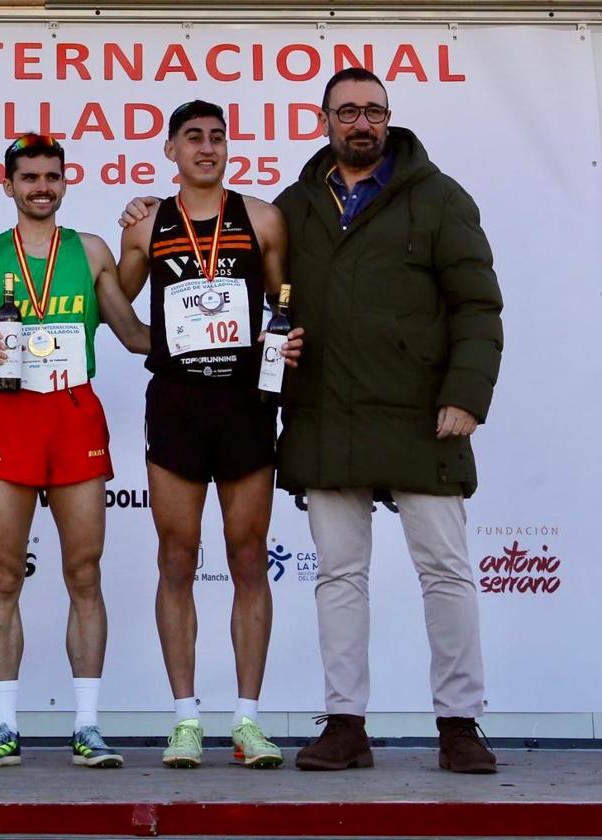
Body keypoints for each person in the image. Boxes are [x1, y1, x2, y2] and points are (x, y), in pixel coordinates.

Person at [273, 68, 503, 773]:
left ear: (389, 117)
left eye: (372, 110)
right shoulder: (293, 205)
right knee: (339, 575)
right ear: (324, 121)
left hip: (423, 416)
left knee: (446, 571)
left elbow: (477, 306)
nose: (361, 122)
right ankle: (345, 724)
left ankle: (460, 725)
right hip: (324, 412)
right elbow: (253, 289)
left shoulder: (439, 198)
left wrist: (466, 394)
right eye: (347, 112)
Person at [0, 134, 150, 769]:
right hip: (10, 417)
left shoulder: (90, 251)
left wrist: (219, 338)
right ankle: (4, 727)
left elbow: (133, 333)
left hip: (73, 414)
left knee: (83, 573)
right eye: (29, 176)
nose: (41, 186)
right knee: (4, 576)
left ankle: (86, 726)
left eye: (52, 176)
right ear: (6, 184)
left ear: (65, 183)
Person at [116, 100, 304, 769]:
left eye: (217, 137)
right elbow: (119, 297)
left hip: (245, 402)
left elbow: (286, 304)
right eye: (192, 138)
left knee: (249, 556)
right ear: (170, 150)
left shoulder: (261, 217)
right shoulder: (148, 225)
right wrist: (148, 343)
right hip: (176, 402)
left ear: (229, 148)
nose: (206, 147)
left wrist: (287, 337)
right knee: (176, 557)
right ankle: (186, 719)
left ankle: (248, 722)